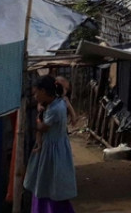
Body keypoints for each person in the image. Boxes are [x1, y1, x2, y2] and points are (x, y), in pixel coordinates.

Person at [24, 75, 77, 212]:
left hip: (53, 151)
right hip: (53, 148)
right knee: (48, 183)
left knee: (51, 184)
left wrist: (36, 120)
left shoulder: (55, 109)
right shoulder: (57, 103)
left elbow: (43, 128)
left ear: (44, 91)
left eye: (36, 93)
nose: (35, 96)